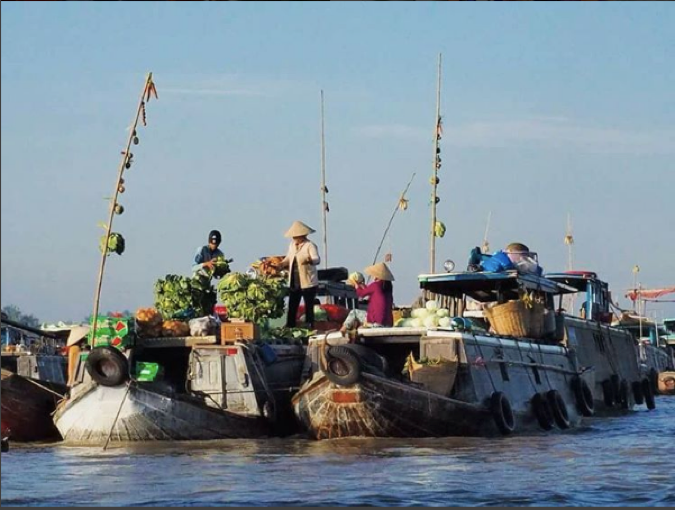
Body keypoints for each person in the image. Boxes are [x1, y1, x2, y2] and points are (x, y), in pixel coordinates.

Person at [277, 221, 321, 329]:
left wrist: (310, 260)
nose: (294, 239)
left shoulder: (310, 245)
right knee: (292, 303)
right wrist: (281, 264)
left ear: (303, 235)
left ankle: (309, 324)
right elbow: (288, 258)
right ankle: (290, 324)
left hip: (308, 281)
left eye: (296, 237)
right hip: (294, 279)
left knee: (309, 305)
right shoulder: (292, 245)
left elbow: (317, 259)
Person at [341, 262, 395, 333]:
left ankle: (342, 330)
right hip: (388, 323)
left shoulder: (375, 285)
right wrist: (363, 286)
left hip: (377, 322)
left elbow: (361, 294)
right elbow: (373, 294)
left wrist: (356, 284)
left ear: (377, 276)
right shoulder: (388, 288)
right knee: (361, 326)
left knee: (354, 312)